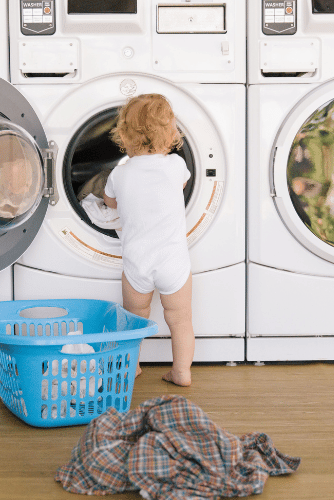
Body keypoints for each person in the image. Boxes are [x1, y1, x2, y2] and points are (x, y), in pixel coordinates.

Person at [103, 93, 195, 387]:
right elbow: (181, 185)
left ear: (124, 136)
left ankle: (132, 367)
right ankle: (181, 371)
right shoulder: (176, 166)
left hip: (137, 262)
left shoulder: (119, 173)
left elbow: (110, 202)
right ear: (170, 133)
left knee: (133, 319)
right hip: (173, 263)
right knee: (180, 320)